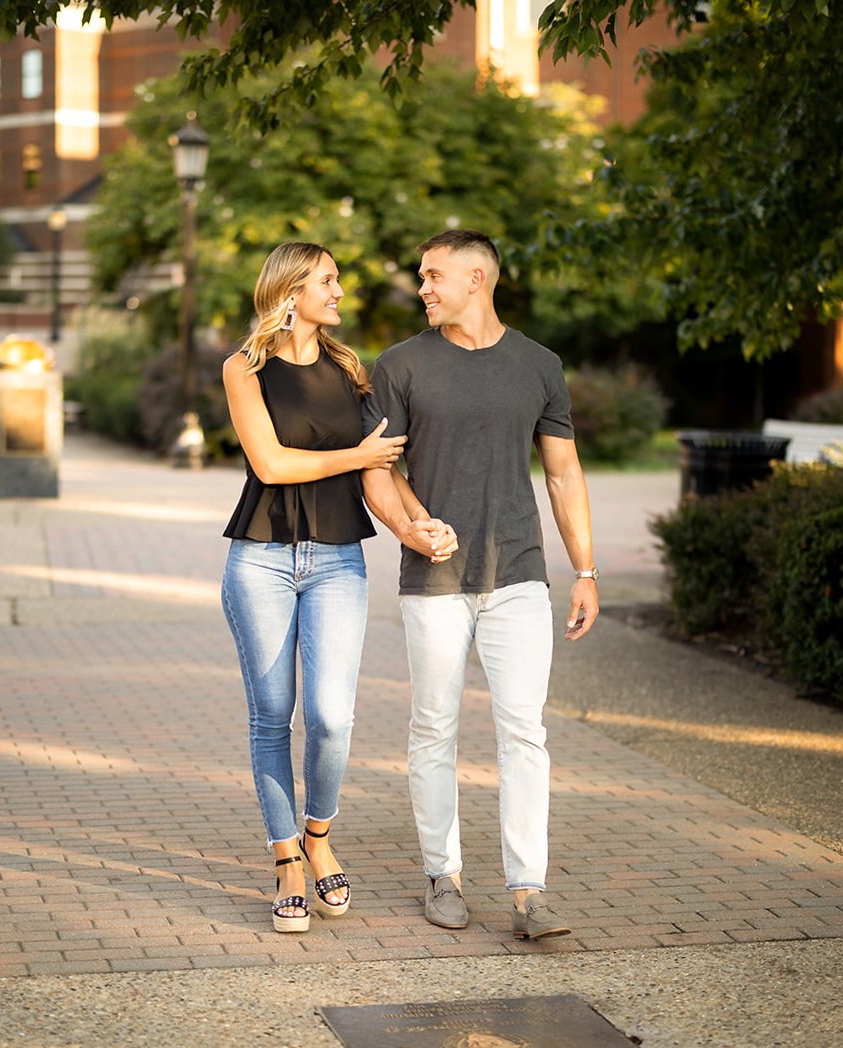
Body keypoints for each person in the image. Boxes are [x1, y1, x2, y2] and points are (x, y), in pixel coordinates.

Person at [361, 229, 599, 942]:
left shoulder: (539, 365)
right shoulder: (399, 366)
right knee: (434, 725)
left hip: (519, 574)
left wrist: (585, 570)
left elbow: (563, 473)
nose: (423, 288)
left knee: (524, 730)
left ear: (476, 279)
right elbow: (378, 469)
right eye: (422, 277)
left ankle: (529, 893)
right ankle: (443, 874)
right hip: (433, 579)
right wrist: (409, 530)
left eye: (433, 276)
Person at [220, 241, 445, 934]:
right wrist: (358, 455)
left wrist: (416, 526)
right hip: (260, 559)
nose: (340, 291)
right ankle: (286, 855)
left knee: (331, 716)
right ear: (290, 290)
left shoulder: (351, 369)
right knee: (271, 715)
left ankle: (319, 832)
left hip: (338, 559)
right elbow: (272, 463)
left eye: (339, 279)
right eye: (328, 280)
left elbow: (380, 476)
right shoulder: (244, 367)